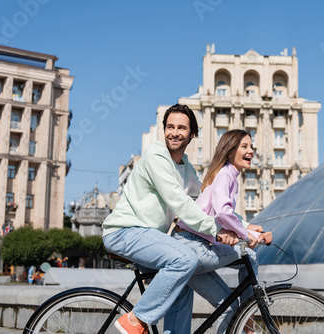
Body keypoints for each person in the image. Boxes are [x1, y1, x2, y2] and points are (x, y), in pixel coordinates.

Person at [102, 104, 239, 334]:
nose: (174, 132)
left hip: (149, 236)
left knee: (182, 285)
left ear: (192, 134)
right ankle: (136, 320)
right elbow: (179, 201)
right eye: (170, 127)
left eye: (181, 128)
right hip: (124, 231)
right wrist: (215, 230)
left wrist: (244, 227)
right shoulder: (156, 155)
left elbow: (206, 203)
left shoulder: (186, 168)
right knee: (185, 259)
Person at [173, 129, 273, 334]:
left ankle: (245, 319)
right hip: (191, 246)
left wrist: (247, 228)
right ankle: (248, 323)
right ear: (229, 152)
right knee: (251, 256)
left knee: (229, 308)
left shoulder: (228, 175)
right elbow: (223, 212)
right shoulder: (226, 174)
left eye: (251, 147)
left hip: (189, 244)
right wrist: (248, 236)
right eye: (244, 146)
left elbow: (221, 215)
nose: (251, 151)